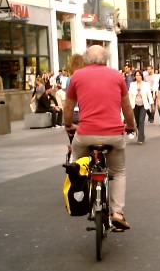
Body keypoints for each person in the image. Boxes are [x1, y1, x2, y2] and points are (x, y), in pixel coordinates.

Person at [63, 45, 136, 230]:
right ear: (106, 58)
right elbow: (126, 106)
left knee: (76, 163)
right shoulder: (117, 76)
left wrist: (68, 124)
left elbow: (68, 106)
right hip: (113, 135)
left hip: (86, 134)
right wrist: (131, 125)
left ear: (86, 59)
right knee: (118, 172)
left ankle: (83, 193)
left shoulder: (77, 76)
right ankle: (117, 213)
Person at [128, 70, 153, 145]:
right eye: (136, 75)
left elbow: (149, 94)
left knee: (141, 120)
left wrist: (152, 104)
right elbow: (130, 95)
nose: (138, 77)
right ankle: (142, 135)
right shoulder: (132, 84)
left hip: (143, 105)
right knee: (138, 121)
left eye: (139, 75)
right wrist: (129, 105)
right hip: (135, 104)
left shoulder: (146, 84)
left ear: (142, 76)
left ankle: (140, 138)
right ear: (135, 76)